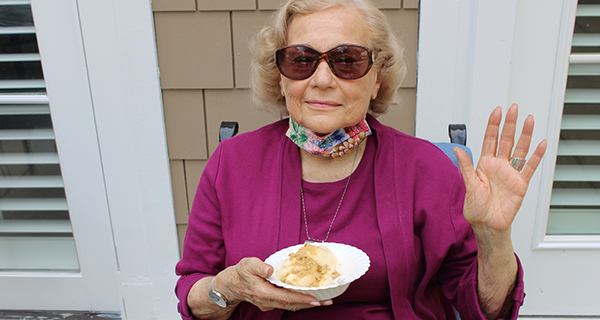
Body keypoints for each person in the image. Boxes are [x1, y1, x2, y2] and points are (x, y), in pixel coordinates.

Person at [175, 0, 548, 319]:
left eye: (347, 60)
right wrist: (226, 288)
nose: (321, 79)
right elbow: (193, 291)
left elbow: (482, 308)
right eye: (302, 60)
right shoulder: (232, 163)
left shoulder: (426, 169)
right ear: (281, 78)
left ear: (378, 79)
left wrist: (494, 238)